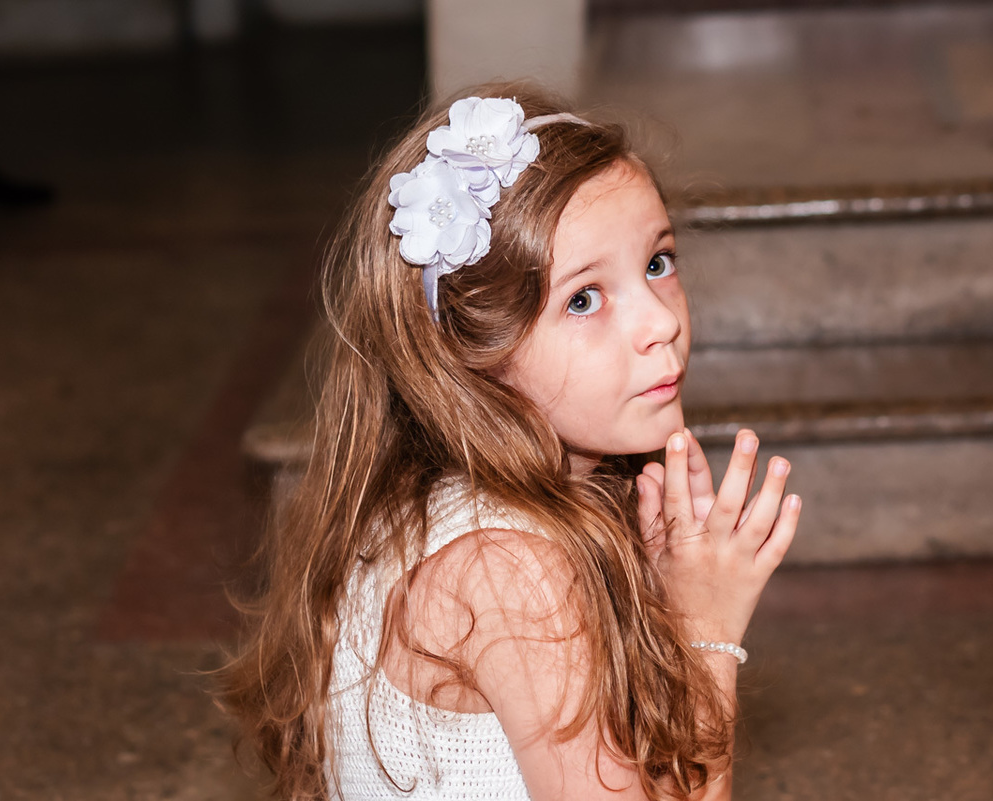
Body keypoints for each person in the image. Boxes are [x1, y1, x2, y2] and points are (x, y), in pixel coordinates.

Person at [220, 82, 802, 800]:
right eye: (583, 298)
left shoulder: (437, 500)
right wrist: (705, 628)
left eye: (658, 262)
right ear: (470, 354)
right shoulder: (511, 571)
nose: (662, 322)